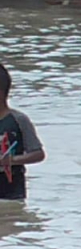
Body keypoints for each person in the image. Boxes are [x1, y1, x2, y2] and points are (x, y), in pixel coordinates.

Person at [0, 63, 46, 201]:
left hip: (11, 192)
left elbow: (38, 154)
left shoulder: (18, 120)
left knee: (11, 219)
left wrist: (11, 160)